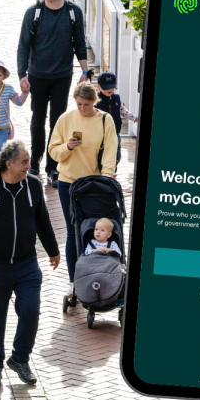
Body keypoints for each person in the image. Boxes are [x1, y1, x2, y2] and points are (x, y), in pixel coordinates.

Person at [0, 141, 60, 387]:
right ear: (9, 164)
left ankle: (20, 359)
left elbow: (43, 222)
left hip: (27, 264)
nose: (29, 166)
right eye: (24, 162)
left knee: (30, 312)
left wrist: (53, 251)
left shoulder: (34, 186)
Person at [17, 0, 89, 186]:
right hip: (37, 75)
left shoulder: (73, 12)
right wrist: (22, 75)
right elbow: (23, 45)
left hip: (62, 76)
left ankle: (52, 166)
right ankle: (35, 161)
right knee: (37, 120)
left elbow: (80, 43)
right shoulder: (34, 12)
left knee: (58, 122)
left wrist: (84, 72)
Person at [47, 82, 117, 297]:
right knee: (71, 231)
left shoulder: (105, 120)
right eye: (78, 104)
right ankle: (73, 281)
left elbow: (110, 153)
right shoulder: (66, 119)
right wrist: (67, 147)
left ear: (94, 102)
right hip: (68, 182)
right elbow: (53, 152)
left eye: (86, 104)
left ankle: (94, 277)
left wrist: (106, 179)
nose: (82, 108)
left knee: (93, 231)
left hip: (93, 185)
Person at [94, 71, 137, 166]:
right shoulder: (96, 101)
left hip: (115, 132)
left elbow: (123, 111)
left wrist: (135, 118)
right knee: (101, 152)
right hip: (100, 132)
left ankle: (113, 167)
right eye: (106, 87)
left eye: (112, 87)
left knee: (116, 152)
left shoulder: (116, 99)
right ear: (99, 87)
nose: (110, 89)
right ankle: (101, 167)